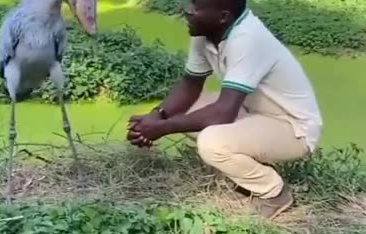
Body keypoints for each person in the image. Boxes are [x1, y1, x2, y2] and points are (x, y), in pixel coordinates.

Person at [126, 0, 323, 219]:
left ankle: (273, 193)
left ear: (223, 16)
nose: (187, 11)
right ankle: (251, 166)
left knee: (212, 142)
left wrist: (163, 128)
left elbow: (223, 113)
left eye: (196, 8)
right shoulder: (205, 32)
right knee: (187, 108)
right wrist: (156, 116)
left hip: (292, 129)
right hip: (253, 114)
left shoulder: (248, 39)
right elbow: (190, 85)